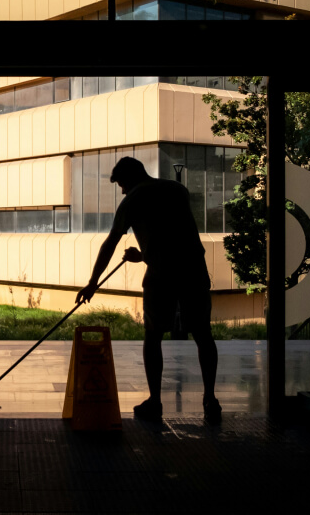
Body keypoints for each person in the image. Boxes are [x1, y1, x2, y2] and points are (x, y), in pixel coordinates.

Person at [75, 157, 221, 424]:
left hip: (161, 275)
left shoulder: (132, 200)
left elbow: (110, 243)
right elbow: (174, 238)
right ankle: (210, 398)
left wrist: (93, 282)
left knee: (153, 336)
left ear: (129, 179)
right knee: (203, 334)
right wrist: (142, 255)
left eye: (121, 184)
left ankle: (155, 401)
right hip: (193, 269)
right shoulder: (178, 191)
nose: (121, 190)